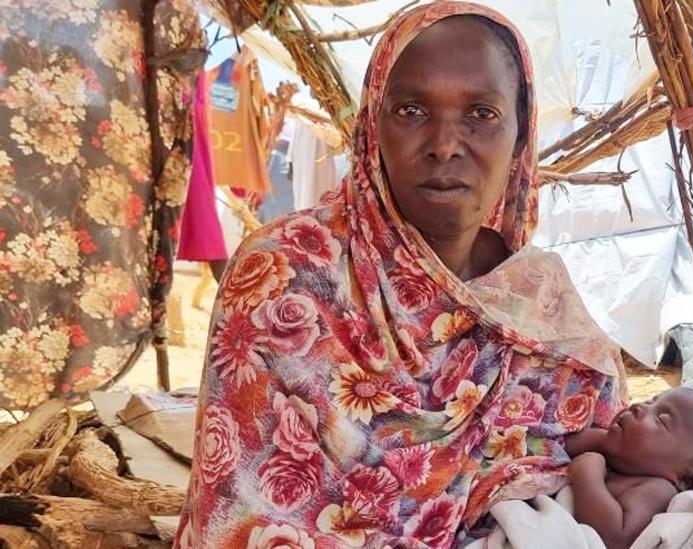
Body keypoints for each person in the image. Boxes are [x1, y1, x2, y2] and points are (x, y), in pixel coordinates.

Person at [174, 3, 628, 548]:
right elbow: (242, 519)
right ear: (372, 124)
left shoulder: (541, 301)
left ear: (520, 132)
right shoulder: (288, 273)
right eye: (412, 110)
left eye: (481, 114)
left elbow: (612, 484)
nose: (444, 143)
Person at [564, 387, 693, 549]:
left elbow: (615, 539)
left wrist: (585, 473)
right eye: (650, 401)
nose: (638, 407)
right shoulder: (619, 452)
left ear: (689, 480)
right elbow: (556, 446)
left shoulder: (656, 490)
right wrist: (602, 442)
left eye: (661, 419)